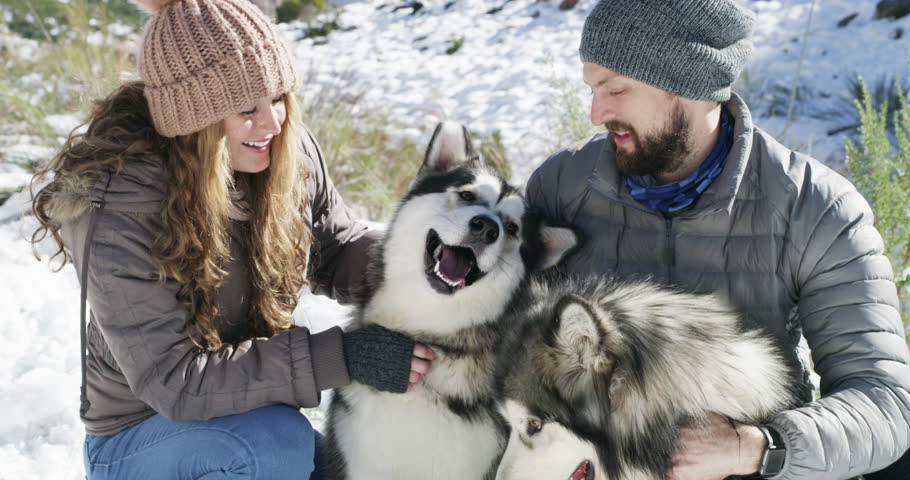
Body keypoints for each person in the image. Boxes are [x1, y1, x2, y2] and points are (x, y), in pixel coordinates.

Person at [30, 0, 434, 478]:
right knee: (276, 448)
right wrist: (341, 356)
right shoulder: (123, 206)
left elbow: (334, 247)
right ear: (193, 121)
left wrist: (420, 264)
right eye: (246, 109)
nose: (272, 123)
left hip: (245, 415)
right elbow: (176, 382)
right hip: (139, 436)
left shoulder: (282, 152)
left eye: (278, 96)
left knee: (345, 466)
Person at [527, 0, 910, 479]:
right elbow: (477, 318)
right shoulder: (563, 184)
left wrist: (755, 448)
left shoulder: (815, 208)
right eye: (592, 90)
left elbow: (885, 401)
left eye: (616, 89)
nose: (596, 113)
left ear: (690, 87)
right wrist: (401, 359)